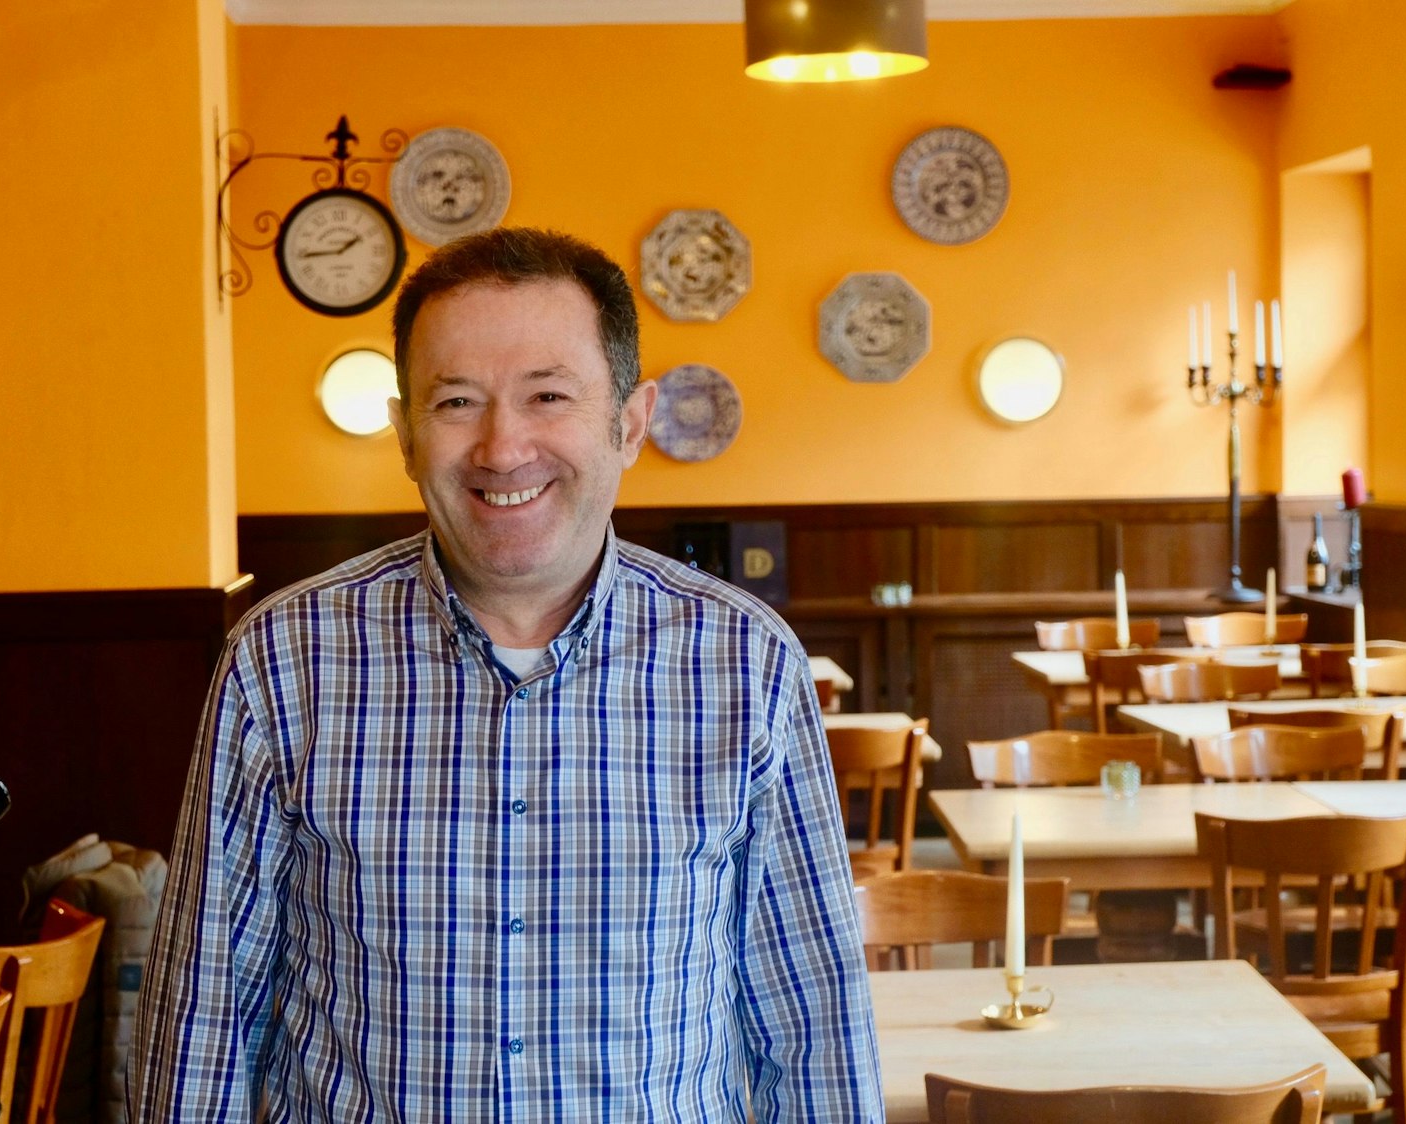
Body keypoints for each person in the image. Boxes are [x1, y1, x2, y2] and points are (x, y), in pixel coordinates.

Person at [127, 227, 881, 1121]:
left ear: (630, 423)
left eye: (548, 394)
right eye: (455, 402)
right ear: (406, 435)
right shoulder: (281, 659)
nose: (501, 445)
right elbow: (203, 1020)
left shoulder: (747, 663)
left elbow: (814, 1027)